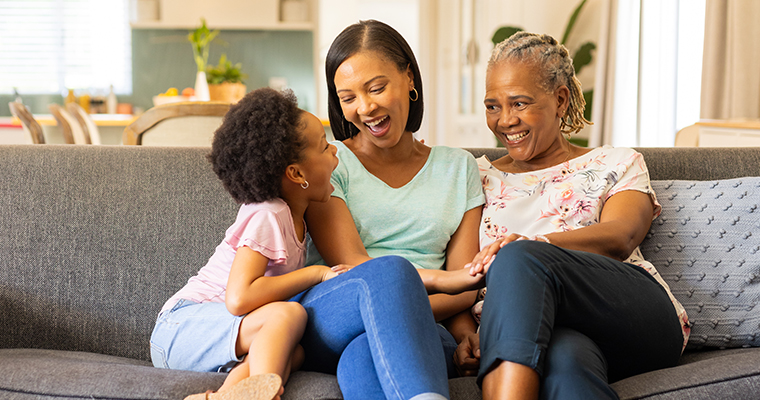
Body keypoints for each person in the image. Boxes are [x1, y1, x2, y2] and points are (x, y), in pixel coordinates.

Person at [457, 32, 691, 399]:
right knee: (566, 362)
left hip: (631, 314)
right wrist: (462, 333)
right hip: (538, 333)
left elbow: (620, 236)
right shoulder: (474, 176)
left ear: (561, 99)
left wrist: (535, 247)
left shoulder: (615, 162)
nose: (504, 120)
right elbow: (459, 270)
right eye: (492, 106)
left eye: (519, 103)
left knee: (519, 258)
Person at [302, 20, 486, 399]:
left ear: (409, 78)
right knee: (382, 278)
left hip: (423, 326)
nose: (365, 108)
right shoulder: (330, 165)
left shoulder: (458, 167)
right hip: (337, 314)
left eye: (377, 88)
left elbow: (464, 287)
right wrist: (414, 303)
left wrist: (468, 337)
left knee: (362, 355)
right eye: (348, 97)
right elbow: (357, 270)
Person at [150, 88, 344, 400]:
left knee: (293, 353)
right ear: (296, 173)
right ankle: (266, 393)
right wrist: (317, 274)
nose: (334, 151)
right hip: (181, 327)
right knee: (288, 315)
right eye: (324, 147)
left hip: (215, 338)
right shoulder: (269, 214)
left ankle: (226, 396)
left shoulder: (296, 218)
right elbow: (239, 299)